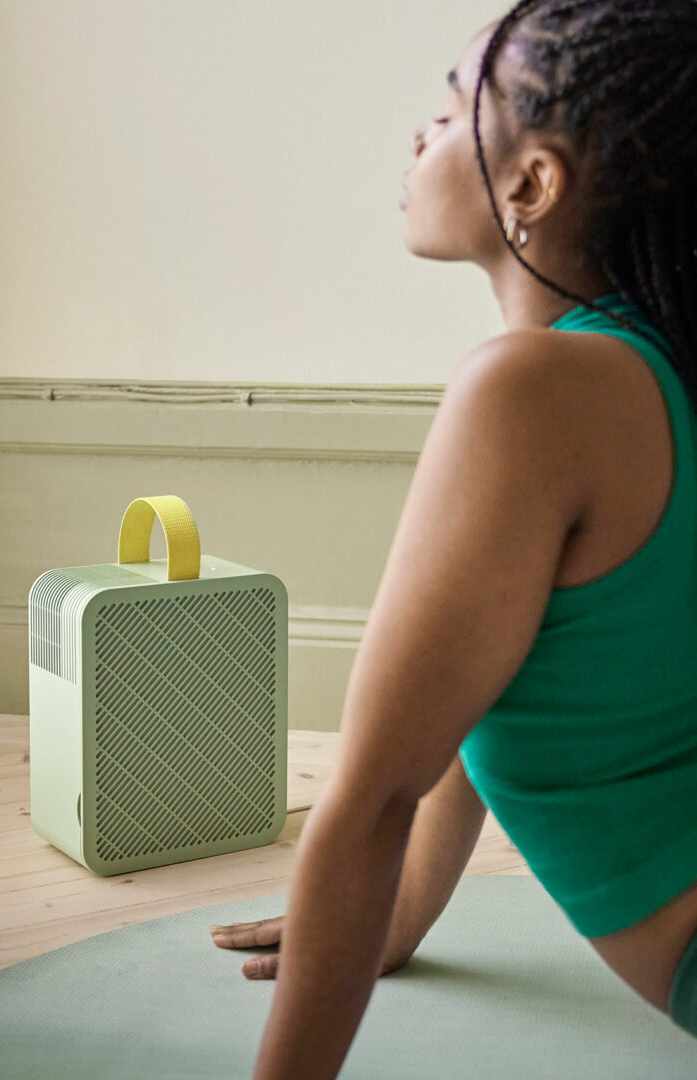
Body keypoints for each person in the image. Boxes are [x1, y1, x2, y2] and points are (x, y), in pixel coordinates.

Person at [211, 2, 697, 1073]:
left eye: (447, 108)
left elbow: (377, 791)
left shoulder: (532, 392)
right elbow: (500, 668)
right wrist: (394, 919)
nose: (419, 136)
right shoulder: (651, 368)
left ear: (531, 183)